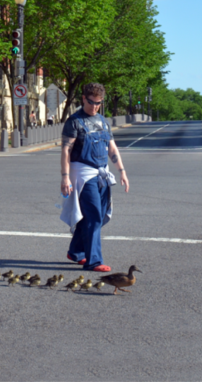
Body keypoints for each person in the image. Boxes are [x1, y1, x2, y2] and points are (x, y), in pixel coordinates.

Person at [59, 83, 130, 273]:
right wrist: (65, 177)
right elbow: (66, 150)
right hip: (83, 174)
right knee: (94, 216)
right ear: (83, 98)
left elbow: (112, 148)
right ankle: (94, 261)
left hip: (101, 173)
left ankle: (75, 252)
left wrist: (121, 171)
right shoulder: (74, 122)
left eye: (99, 103)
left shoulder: (103, 122)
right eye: (91, 102)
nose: (95, 106)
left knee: (91, 216)